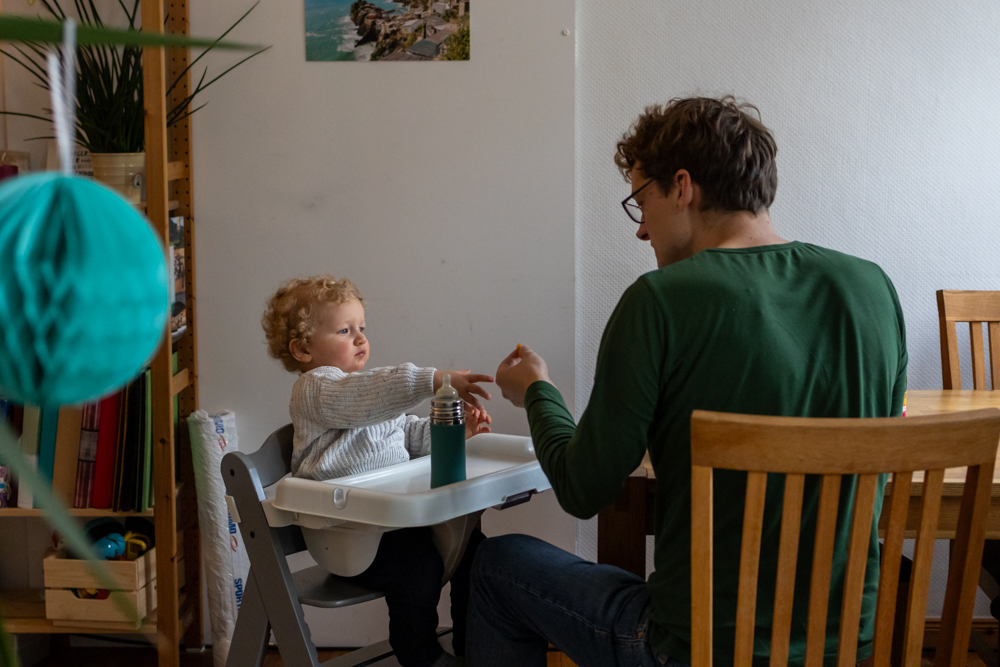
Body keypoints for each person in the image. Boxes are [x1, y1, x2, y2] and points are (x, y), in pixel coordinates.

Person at [467, 97, 907, 667]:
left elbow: (583, 489)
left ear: (682, 187)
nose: (641, 229)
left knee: (496, 566)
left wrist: (535, 392)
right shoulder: (874, 287)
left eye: (640, 201)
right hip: (846, 648)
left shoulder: (660, 301)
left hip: (694, 651)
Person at [262, 275, 494, 667]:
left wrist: (454, 430)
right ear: (302, 349)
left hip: (395, 520)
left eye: (362, 328)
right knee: (418, 567)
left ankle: (474, 646)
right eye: (344, 329)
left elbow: (405, 435)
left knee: (474, 549)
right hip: (347, 539)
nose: (360, 339)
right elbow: (359, 400)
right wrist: (431, 380)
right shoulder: (316, 391)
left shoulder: (369, 396)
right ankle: (420, 654)